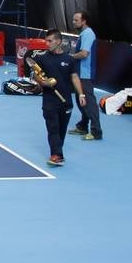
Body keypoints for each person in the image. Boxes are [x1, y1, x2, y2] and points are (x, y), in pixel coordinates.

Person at [27, 28, 86, 167]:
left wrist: (81, 94)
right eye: (46, 41)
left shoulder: (69, 59)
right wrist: (42, 82)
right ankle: (56, 155)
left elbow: (75, 77)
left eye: (50, 41)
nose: (47, 43)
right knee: (53, 129)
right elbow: (36, 74)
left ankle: (58, 152)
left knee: (61, 130)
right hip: (49, 102)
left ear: (59, 41)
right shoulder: (42, 58)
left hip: (66, 102)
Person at [68, 10, 102, 141]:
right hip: (80, 73)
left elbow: (84, 54)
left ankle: (96, 131)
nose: (73, 22)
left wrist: (70, 57)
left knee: (88, 102)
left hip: (84, 74)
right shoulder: (84, 34)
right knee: (80, 100)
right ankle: (83, 126)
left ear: (84, 21)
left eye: (76, 20)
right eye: (73, 19)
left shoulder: (88, 34)